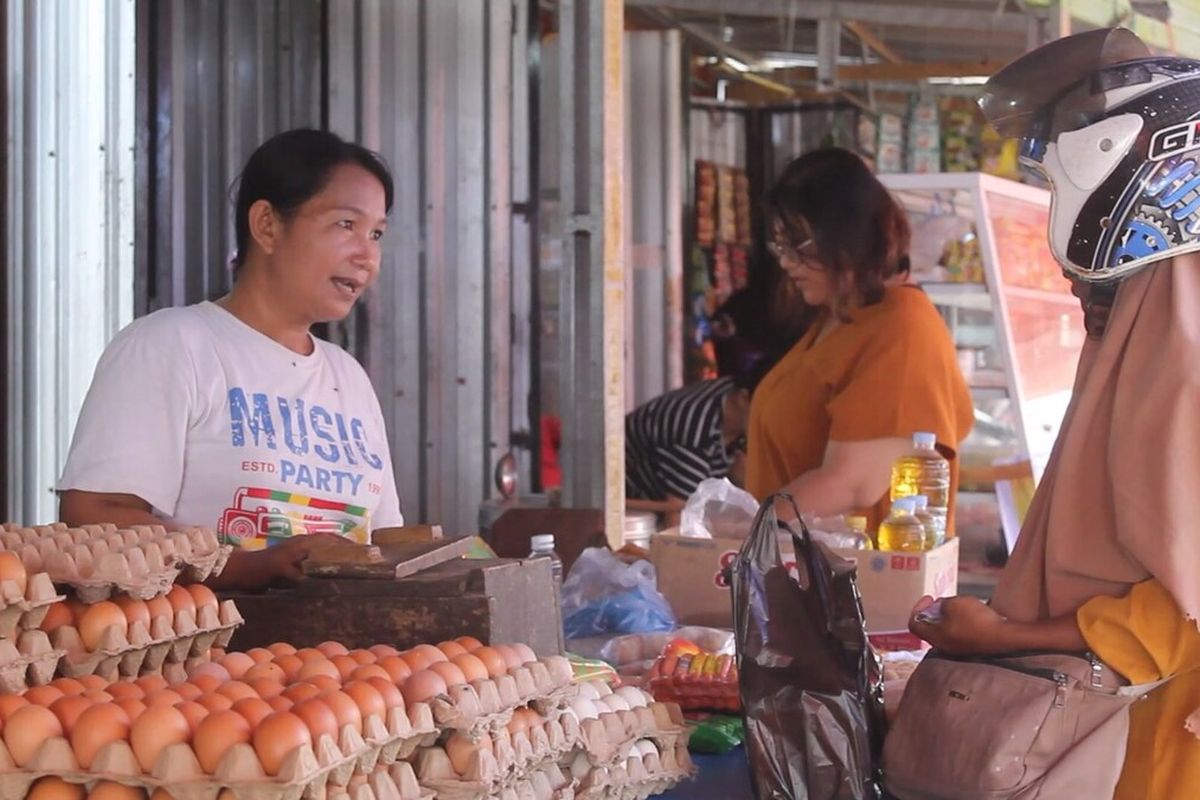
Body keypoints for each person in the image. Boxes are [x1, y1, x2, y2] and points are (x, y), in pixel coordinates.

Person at [909, 28, 1200, 799]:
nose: (1078, 290)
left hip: (1160, 746)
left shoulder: (1180, 346)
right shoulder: (1150, 327)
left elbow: (1182, 608)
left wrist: (1004, 638)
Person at [57, 129, 405, 589]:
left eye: (376, 233)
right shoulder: (172, 345)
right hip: (203, 653)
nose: (367, 257)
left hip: (339, 657)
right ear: (266, 225)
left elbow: (386, 539)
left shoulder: (348, 378)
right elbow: (94, 516)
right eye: (346, 225)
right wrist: (244, 566)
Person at [745, 148, 974, 531]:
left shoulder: (903, 328)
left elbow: (851, 484)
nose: (785, 263)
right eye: (781, 247)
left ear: (849, 237)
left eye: (799, 245)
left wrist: (741, 535)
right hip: (796, 567)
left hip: (862, 581)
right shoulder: (839, 318)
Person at [624, 359, 768, 504]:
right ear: (743, 398)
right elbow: (679, 518)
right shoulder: (695, 432)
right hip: (629, 510)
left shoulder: (731, 394)